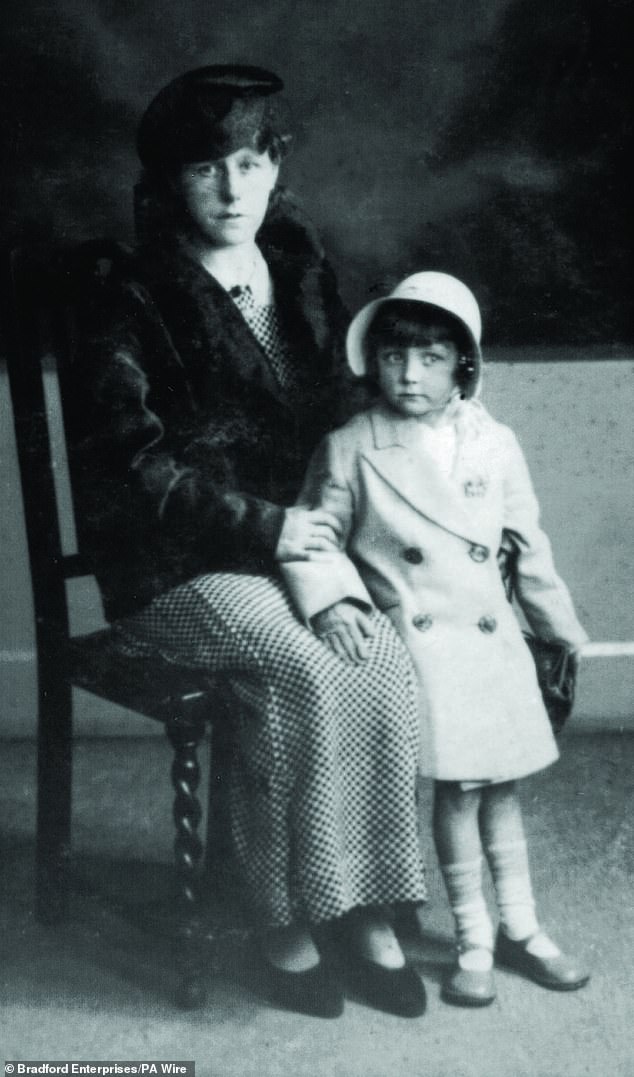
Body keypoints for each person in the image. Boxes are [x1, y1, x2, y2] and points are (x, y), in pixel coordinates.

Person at [69, 65, 428, 1018]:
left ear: (275, 166)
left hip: (290, 556)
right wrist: (269, 525)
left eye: (248, 163)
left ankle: (363, 901)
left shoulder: (299, 271)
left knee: (379, 652)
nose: (232, 192)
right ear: (166, 186)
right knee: (300, 668)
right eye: (203, 171)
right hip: (170, 572)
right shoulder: (128, 295)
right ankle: (281, 917)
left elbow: (330, 418)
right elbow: (131, 466)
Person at [282, 271, 591, 1007]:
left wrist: (560, 629)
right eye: (394, 356)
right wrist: (333, 601)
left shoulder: (496, 441)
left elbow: (527, 543)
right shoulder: (353, 445)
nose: (409, 374)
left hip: (492, 646)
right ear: (374, 362)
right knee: (457, 792)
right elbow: (310, 537)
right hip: (421, 647)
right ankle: (474, 938)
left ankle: (522, 925)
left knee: (503, 788)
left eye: (429, 357)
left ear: (463, 364)